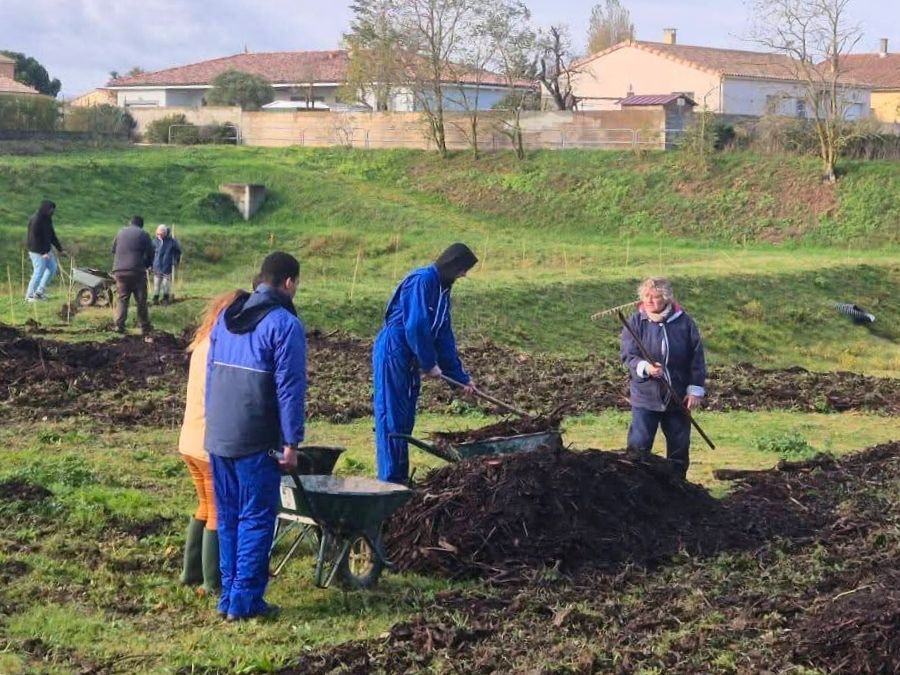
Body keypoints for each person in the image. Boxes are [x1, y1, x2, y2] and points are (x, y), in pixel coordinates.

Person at [204, 252, 305, 621]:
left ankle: (229, 594)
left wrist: (210, 427)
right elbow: (290, 388)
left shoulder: (226, 317)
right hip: (255, 438)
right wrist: (292, 442)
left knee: (228, 516)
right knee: (257, 518)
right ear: (289, 283)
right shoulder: (284, 324)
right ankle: (245, 602)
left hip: (219, 434)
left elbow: (211, 376)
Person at [373, 243, 478, 485]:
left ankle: (398, 479)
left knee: (405, 417)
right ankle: (390, 481)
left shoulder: (443, 291)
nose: (464, 275)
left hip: (410, 356)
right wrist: (429, 363)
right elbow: (417, 325)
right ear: (452, 265)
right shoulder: (423, 280)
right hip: (395, 350)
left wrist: (460, 379)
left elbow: (443, 335)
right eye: (463, 269)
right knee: (392, 416)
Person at [178, 289, 246, 595]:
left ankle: (189, 573)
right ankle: (213, 581)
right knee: (218, 508)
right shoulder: (221, 346)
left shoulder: (202, 341)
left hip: (188, 439)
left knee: (204, 505)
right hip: (207, 442)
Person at [620, 277, 707, 479]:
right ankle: (636, 484)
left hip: (677, 396)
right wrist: (646, 367)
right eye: (646, 296)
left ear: (666, 298)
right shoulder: (635, 322)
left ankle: (677, 486)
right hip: (645, 395)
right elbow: (629, 356)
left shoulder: (684, 322)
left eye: (656, 297)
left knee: (679, 446)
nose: (649, 301)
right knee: (639, 445)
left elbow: (696, 357)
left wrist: (695, 389)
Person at [111, 216, 154, 335]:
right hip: (136, 271)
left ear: (130, 223)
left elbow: (113, 249)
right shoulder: (143, 234)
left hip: (119, 271)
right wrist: (148, 265)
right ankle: (144, 326)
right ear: (141, 225)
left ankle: (119, 325)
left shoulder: (120, 232)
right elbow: (150, 252)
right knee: (141, 299)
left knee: (122, 298)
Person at [25, 200, 65, 302]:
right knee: (39, 271)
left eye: (53, 210)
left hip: (46, 250)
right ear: (45, 209)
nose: (52, 212)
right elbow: (35, 238)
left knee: (52, 268)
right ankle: (30, 296)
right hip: (36, 250)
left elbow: (52, 235)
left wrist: (60, 249)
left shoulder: (47, 219)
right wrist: (43, 253)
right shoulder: (36, 220)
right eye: (51, 209)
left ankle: (39, 292)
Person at [151, 224, 182, 306]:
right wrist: (150, 264)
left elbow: (178, 252)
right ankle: (155, 298)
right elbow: (150, 253)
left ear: (165, 233)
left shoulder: (172, 242)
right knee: (157, 283)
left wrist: (176, 260)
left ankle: (165, 297)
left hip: (167, 266)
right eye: (158, 234)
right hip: (157, 266)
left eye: (161, 234)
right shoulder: (154, 242)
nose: (159, 236)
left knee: (166, 284)